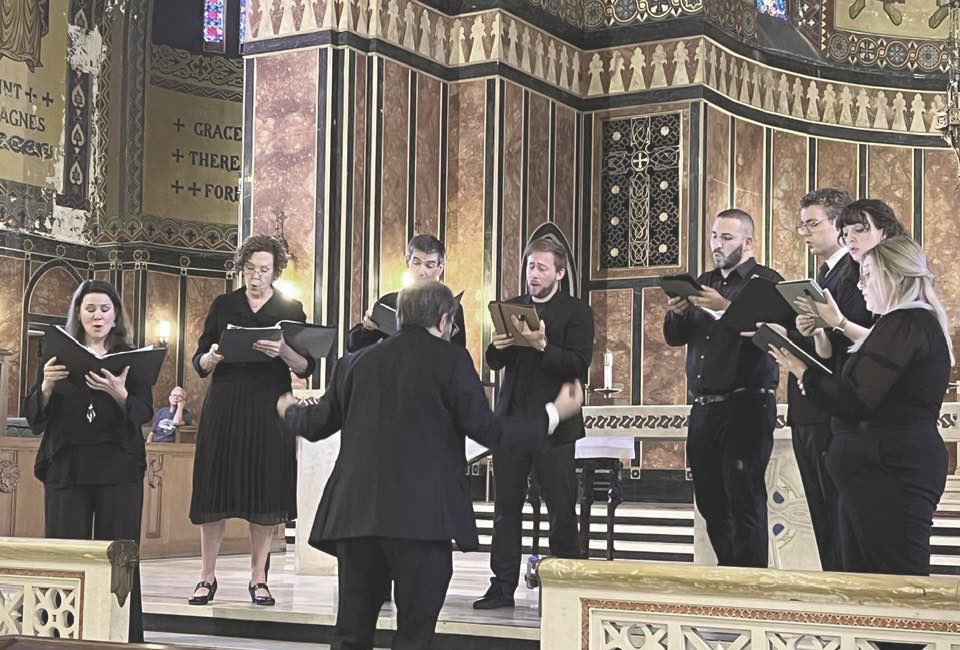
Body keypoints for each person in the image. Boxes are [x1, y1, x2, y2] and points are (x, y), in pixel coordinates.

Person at [278, 280, 584, 650]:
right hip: (421, 519)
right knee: (414, 636)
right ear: (443, 321)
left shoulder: (355, 362)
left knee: (350, 635)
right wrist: (553, 413)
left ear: (400, 317)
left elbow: (316, 425)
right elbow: (489, 431)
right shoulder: (451, 360)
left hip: (356, 517)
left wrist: (289, 410)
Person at [767, 236, 952, 581]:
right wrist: (829, 330)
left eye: (868, 275)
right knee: (863, 580)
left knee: (893, 581)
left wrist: (802, 370)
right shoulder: (896, 324)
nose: (860, 284)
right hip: (875, 467)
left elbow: (855, 399)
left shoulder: (907, 321)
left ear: (895, 277)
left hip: (891, 468)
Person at [188, 234, 314, 607]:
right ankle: (206, 576)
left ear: (275, 272)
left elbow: (305, 366)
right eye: (250, 269)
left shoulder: (290, 308)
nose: (255, 277)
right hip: (225, 404)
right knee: (215, 489)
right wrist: (211, 357)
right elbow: (199, 361)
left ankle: (259, 578)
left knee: (264, 491)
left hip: (268, 407)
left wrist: (283, 349)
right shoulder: (224, 304)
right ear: (241, 268)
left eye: (263, 270)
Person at [23, 280, 152, 642]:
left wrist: (120, 393)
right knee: (65, 553)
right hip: (68, 465)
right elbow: (34, 417)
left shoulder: (131, 358)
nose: (98, 315)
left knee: (120, 556)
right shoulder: (58, 355)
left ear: (116, 316)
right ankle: (58, 637)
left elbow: (143, 411)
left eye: (105, 309)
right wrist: (46, 386)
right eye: (90, 308)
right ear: (78, 314)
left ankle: (123, 637)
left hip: (118, 466)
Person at [474, 235, 594, 610]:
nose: (534, 274)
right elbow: (495, 361)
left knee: (561, 508)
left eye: (542, 267)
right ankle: (502, 586)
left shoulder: (576, 312)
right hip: (512, 423)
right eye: (530, 266)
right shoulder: (514, 307)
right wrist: (498, 346)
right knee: (505, 511)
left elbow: (579, 365)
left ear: (559, 273)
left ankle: (565, 591)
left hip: (555, 426)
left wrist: (543, 346)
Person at [662, 209, 783, 568]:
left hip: (747, 404)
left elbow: (769, 336)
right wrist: (678, 312)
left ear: (748, 242)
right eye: (714, 236)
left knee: (744, 498)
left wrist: (725, 307)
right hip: (705, 406)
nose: (717, 244)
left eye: (727, 238)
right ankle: (729, 572)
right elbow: (675, 338)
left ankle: (752, 582)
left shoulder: (766, 282)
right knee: (710, 499)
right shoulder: (703, 282)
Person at [787, 188, 871, 571]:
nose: (805, 232)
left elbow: (860, 339)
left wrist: (824, 329)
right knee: (823, 516)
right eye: (802, 225)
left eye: (812, 224)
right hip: (813, 405)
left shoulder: (855, 273)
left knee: (841, 519)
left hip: (837, 408)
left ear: (839, 225)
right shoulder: (824, 275)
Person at [797, 198, 907, 344]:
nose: (850, 239)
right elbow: (836, 350)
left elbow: (891, 344)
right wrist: (819, 333)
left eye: (859, 230)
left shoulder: (901, 275)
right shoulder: (847, 274)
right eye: (845, 233)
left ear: (884, 232)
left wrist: (841, 323)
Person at [347, 233, 466, 351]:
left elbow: (458, 352)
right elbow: (353, 346)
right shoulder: (390, 302)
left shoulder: (453, 309)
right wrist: (367, 329)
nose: (421, 271)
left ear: (440, 268)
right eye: (416, 263)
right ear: (407, 262)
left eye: (429, 265)